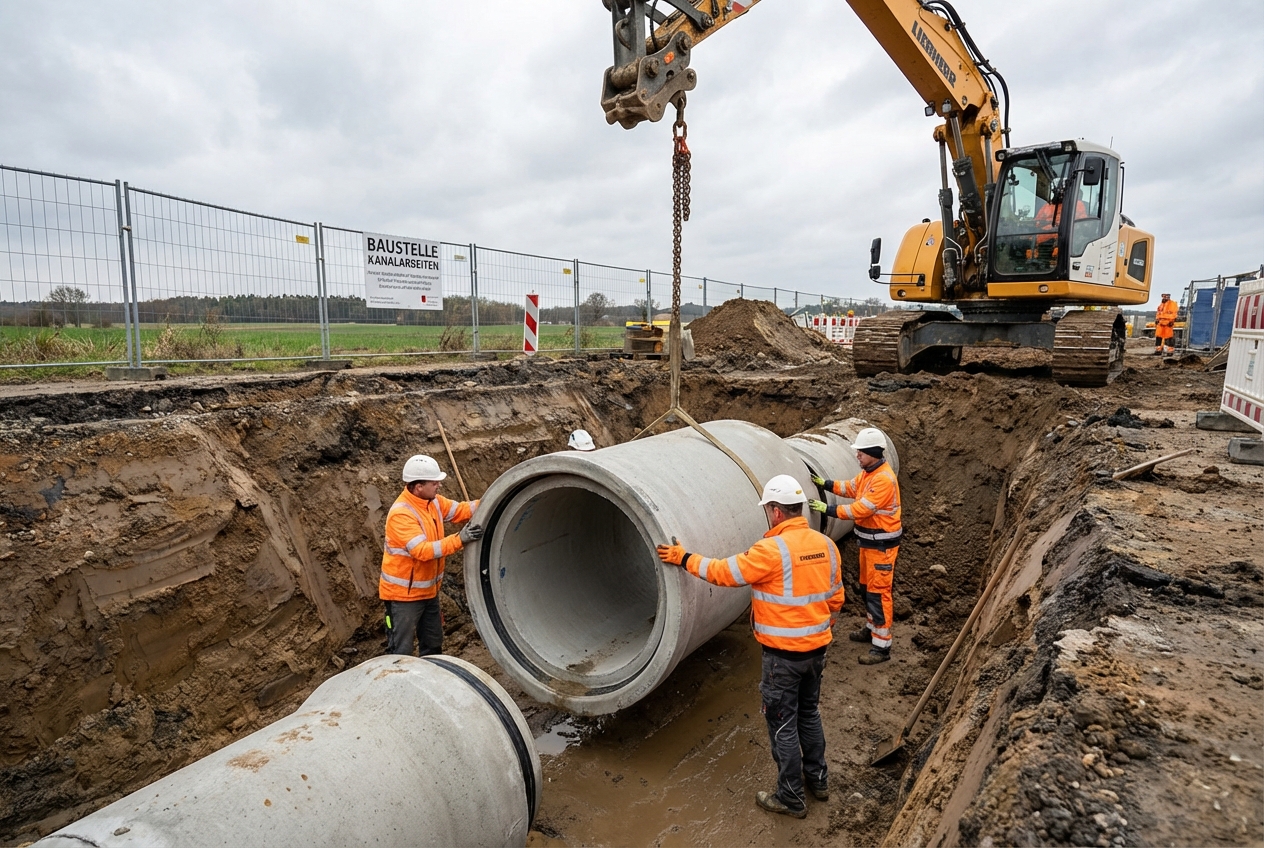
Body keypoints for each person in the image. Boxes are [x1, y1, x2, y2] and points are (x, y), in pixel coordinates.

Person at [657, 475, 844, 819]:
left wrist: (683, 557)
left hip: (782, 659)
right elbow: (836, 599)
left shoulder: (771, 550)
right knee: (809, 714)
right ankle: (818, 780)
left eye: (768, 509)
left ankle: (790, 797)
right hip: (817, 653)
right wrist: (818, 634)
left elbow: (723, 573)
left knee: (783, 724)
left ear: (775, 512)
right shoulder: (826, 546)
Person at [807, 427, 902, 665]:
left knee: (878, 595)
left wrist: (827, 509)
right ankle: (872, 629)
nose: (857, 456)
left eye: (861, 452)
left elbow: (860, 509)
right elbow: (850, 488)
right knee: (866, 589)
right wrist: (825, 483)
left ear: (872, 452)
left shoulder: (883, 479)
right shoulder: (868, 474)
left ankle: (882, 647)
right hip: (869, 544)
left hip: (881, 547)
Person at [379, 454, 482, 656]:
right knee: (401, 652)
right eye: (434, 482)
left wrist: (493, 498)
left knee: (433, 644)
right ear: (418, 487)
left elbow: (461, 510)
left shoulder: (432, 502)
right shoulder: (402, 514)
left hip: (429, 592)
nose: (439, 485)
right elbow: (423, 551)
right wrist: (460, 539)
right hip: (403, 598)